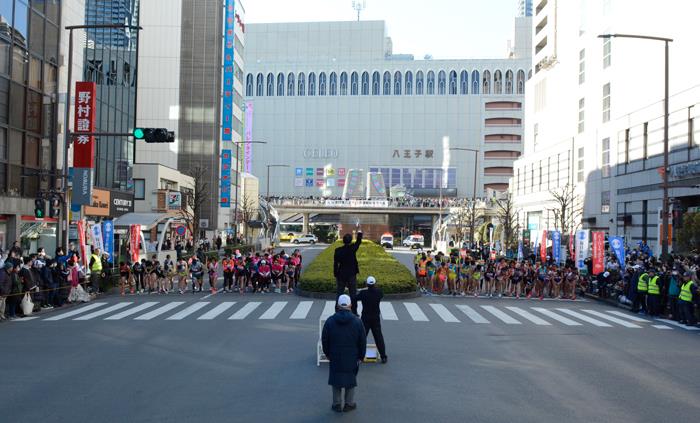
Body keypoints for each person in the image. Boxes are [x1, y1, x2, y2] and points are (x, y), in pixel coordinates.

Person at [321, 294, 366, 413]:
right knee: (350, 378)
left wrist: (327, 353)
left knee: (336, 378)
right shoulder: (357, 321)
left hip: (335, 354)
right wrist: (361, 355)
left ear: (337, 305)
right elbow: (362, 340)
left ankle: (336, 404)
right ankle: (349, 403)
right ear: (350, 305)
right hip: (352, 355)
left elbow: (325, 339)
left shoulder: (330, 321)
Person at [356, 276, 387, 363]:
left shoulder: (363, 293)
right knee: (378, 337)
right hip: (375, 318)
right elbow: (380, 294)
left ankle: (359, 357)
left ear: (367, 284)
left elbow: (355, 298)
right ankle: (383, 356)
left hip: (365, 318)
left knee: (362, 338)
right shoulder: (379, 292)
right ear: (375, 283)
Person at [333, 229, 363, 314]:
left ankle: (337, 310)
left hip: (341, 274)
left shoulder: (338, 250)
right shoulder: (352, 248)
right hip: (351, 274)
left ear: (343, 241)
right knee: (353, 294)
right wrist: (359, 232)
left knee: (339, 293)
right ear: (350, 241)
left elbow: (335, 264)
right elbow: (358, 242)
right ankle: (354, 311)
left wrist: (336, 274)